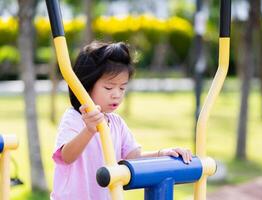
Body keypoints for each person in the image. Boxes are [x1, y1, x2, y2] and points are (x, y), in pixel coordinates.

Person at [50, 41, 192, 200]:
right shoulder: (74, 118)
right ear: (86, 85)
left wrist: (162, 154)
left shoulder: (116, 123)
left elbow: (134, 158)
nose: (116, 94)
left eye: (122, 88)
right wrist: (89, 130)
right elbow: (66, 157)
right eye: (109, 88)